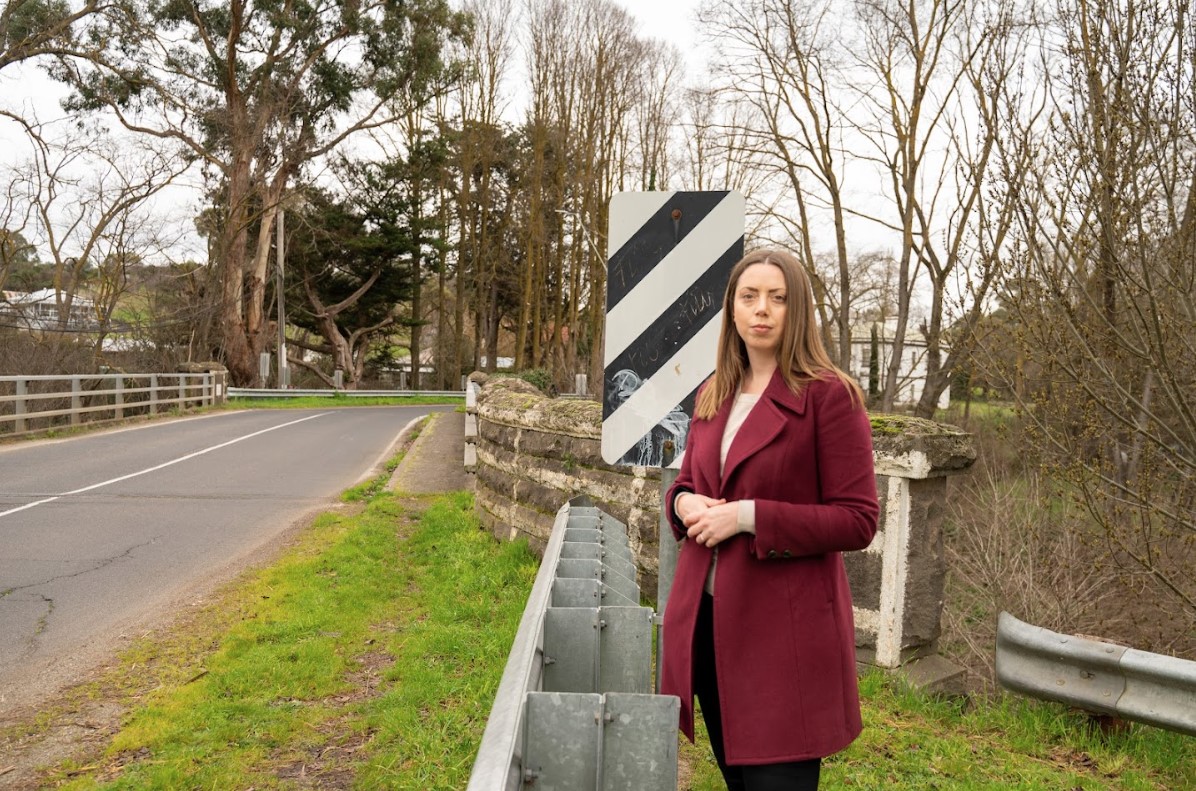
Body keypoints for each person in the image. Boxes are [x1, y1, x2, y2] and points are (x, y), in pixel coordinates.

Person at [661, 247, 879, 790]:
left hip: (783, 640)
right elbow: (690, 482)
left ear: (797, 310)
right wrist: (683, 503)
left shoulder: (831, 398)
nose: (762, 310)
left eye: (778, 299)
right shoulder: (714, 392)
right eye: (749, 296)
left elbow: (857, 520)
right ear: (732, 310)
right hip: (709, 626)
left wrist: (750, 517)